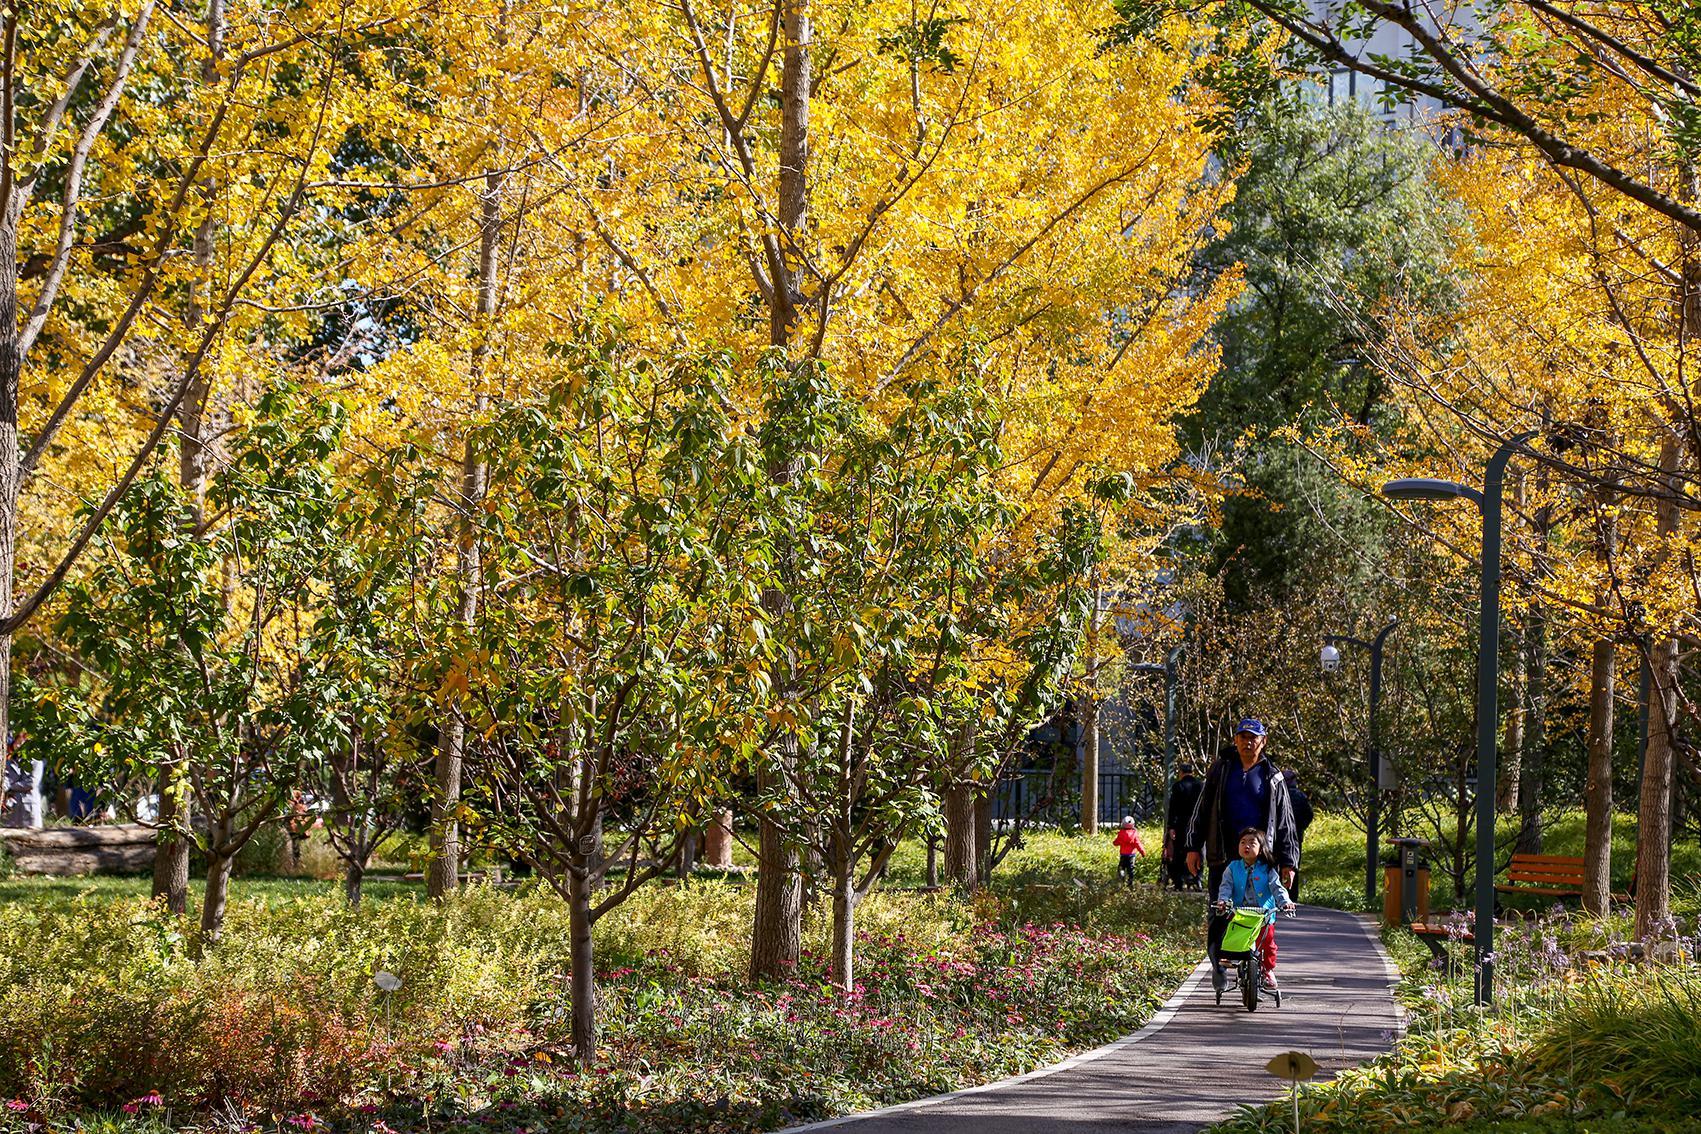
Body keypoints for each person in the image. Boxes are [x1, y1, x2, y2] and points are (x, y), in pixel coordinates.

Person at [1183, 718, 1302, 978]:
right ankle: (1219, 966)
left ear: (1263, 741)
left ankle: (1259, 966)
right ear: (1235, 740)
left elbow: (1286, 822)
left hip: (1262, 860)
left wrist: (1288, 862)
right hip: (1222, 856)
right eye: (1243, 737)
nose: (1248, 742)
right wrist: (1193, 846)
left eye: (1254, 738)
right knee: (1220, 913)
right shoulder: (1221, 770)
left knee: (1261, 914)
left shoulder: (1273, 776)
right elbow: (1201, 810)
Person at [1214, 826, 1295, 991]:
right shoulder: (1232, 868)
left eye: (1252, 843)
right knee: (1226, 931)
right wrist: (1223, 901)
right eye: (1243, 842)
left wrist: (1285, 902)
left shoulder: (1267, 869)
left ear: (1261, 848)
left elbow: (1277, 888)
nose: (1247, 846)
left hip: (1263, 915)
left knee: (1267, 943)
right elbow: (1226, 887)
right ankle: (1229, 956)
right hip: (1239, 913)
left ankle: (1268, 970)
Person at [1163, 762, 1203, 890]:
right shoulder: (1200, 785)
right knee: (1197, 850)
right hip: (1197, 823)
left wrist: (1171, 826)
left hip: (1181, 824)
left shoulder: (1178, 786)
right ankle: (1196, 879)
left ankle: (1178, 882)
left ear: (1181, 772)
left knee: (1179, 853)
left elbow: (1173, 808)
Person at [1285, 773, 1314, 901]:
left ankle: (1277, 895)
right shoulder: (1300, 796)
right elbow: (1309, 815)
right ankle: (1292, 896)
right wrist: (1301, 826)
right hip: (1296, 836)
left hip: (1279, 836)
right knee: (1293, 864)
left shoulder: (1277, 793)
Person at [1113, 816, 1147, 888]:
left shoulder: (1121, 833)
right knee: (1130, 869)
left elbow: (1116, 843)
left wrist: (1115, 842)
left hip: (1123, 854)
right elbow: (1138, 844)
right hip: (1132, 855)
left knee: (1121, 867)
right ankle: (1130, 883)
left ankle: (1121, 879)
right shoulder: (1134, 834)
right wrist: (1143, 852)